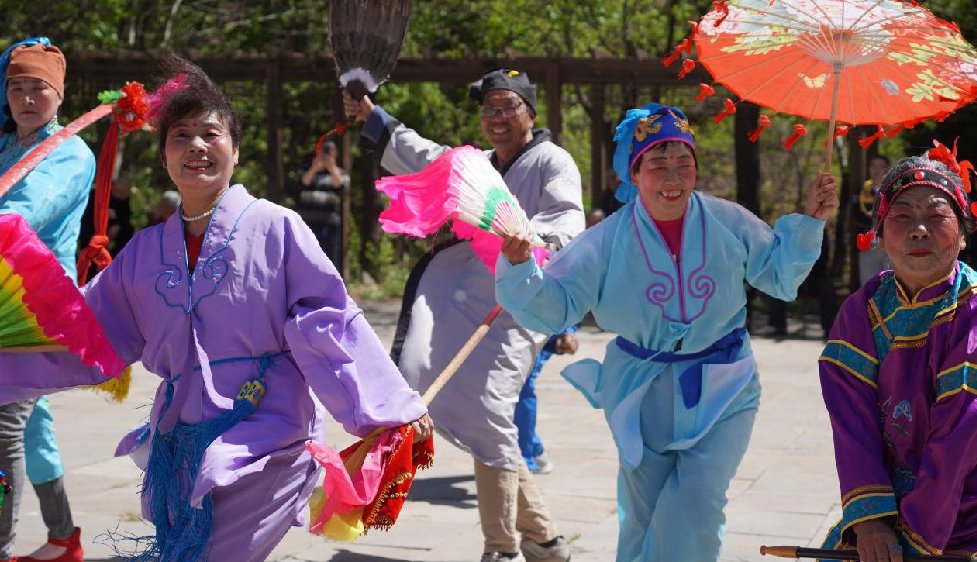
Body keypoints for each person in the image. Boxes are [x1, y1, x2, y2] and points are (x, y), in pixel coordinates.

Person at [0, 56, 432, 562]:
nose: (196, 146)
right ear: (164, 157)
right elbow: (82, 332)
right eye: (180, 136)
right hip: (179, 446)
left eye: (211, 134)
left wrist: (390, 407)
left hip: (267, 439)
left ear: (235, 149)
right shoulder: (143, 252)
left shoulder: (277, 228)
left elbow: (329, 322)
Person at [496, 102, 838, 562]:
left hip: (725, 385)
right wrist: (520, 268)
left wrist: (811, 219)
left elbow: (779, 273)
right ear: (635, 174)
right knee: (642, 517)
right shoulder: (606, 239)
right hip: (642, 392)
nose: (673, 177)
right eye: (658, 164)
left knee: (695, 506)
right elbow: (556, 304)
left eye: (684, 164)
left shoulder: (728, 220)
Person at [344, 68, 584, 562]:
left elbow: (567, 217)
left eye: (508, 107)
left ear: (530, 113)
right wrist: (376, 118)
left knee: (490, 412)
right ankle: (542, 537)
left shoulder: (551, 160)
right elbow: (425, 155)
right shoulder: (478, 166)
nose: (497, 117)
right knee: (430, 386)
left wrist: (530, 239)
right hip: (462, 302)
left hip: (516, 305)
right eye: (489, 109)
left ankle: (502, 548)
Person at [817, 150, 977, 562]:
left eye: (937, 216)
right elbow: (852, 423)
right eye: (901, 216)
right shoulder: (862, 310)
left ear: (965, 233)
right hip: (889, 501)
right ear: (880, 233)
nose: (919, 230)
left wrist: (914, 542)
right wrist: (870, 521)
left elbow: (960, 436)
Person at [0, 37, 90, 562]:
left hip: (33, 311)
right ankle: (63, 538)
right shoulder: (8, 145)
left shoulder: (69, 152)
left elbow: (22, 216)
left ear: (60, 94)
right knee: (31, 427)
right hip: (5, 300)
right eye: (17, 87)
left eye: (39, 88)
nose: (28, 98)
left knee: (5, 430)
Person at [514, 327, 578, 474]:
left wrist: (566, 332)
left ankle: (524, 460)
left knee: (521, 389)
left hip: (533, 332)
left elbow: (575, 304)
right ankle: (534, 450)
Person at [296, 137, 348, 271]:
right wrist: (314, 168)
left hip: (329, 225)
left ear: (335, 153)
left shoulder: (341, 173)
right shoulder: (306, 170)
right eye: (323, 150)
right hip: (307, 225)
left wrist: (332, 168)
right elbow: (301, 185)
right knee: (306, 259)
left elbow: (342, 188)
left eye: (329, 151)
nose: (326, 154)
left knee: (330, 260)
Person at [857, 154, 891, 284]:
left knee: (891, 286)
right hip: (869, 245)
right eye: (873, 166)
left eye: (880, 166)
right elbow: (857, 215)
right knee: (868, 285)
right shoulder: (862, 191)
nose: (876, 170)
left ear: (887, 170)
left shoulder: (893, 191)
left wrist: (874, 214)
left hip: (890, 244)